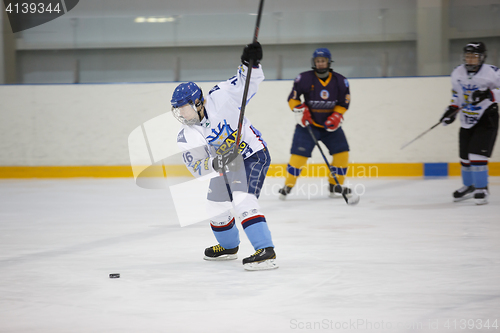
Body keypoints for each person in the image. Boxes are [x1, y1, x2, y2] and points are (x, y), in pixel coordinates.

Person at [170, 42, 278, 271]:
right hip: (227, 166)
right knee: (214, 206)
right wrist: (221, 161)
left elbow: (249, 83)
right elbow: (199, 169)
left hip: (253, 155)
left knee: (242, 198)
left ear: (197, 102)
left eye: (184, 107)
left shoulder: (221, 96)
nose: (181, 113)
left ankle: (266, 250)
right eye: (177, 109)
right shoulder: (187, 133)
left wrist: (251, 64)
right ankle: (229, 247)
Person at [279, 48, 352, 200]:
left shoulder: (340, 80)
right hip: (308, 125)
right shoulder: (304, 78)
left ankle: (335, 186)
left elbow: (344, 101)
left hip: (330, 126)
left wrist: (337, 115)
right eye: (318, 61)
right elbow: (293, 97)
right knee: (298, 156)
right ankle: (288, 185)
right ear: (314, 62)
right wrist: (299, 109)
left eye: (323, 61)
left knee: (342, 154)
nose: (320, 64)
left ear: (328, 62)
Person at [440, 41, 499, 205]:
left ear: (482, 58)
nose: (470, 60)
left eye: (474, 57)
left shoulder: (492, 72)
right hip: (466, 118)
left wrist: (489, 94)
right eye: (468, 56)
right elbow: (457, 96)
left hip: (487, 118)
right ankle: (469, 186)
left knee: (476, 155)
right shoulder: (457, 72)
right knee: (465, 157)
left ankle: (482, 188)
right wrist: (450, 111)